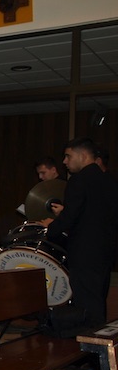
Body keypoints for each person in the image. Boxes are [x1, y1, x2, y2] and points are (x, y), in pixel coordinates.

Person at [42, 138, 118, 334]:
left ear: (83, 156)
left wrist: (51, 229)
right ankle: (100, 345)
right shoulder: (109, 180)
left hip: (84, 251)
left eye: (68, 156)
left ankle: (89, 346)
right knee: (97, 299)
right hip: (105, 251)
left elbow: (71, 216)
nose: (65, 162)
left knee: (85, 304)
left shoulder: (79, 180)